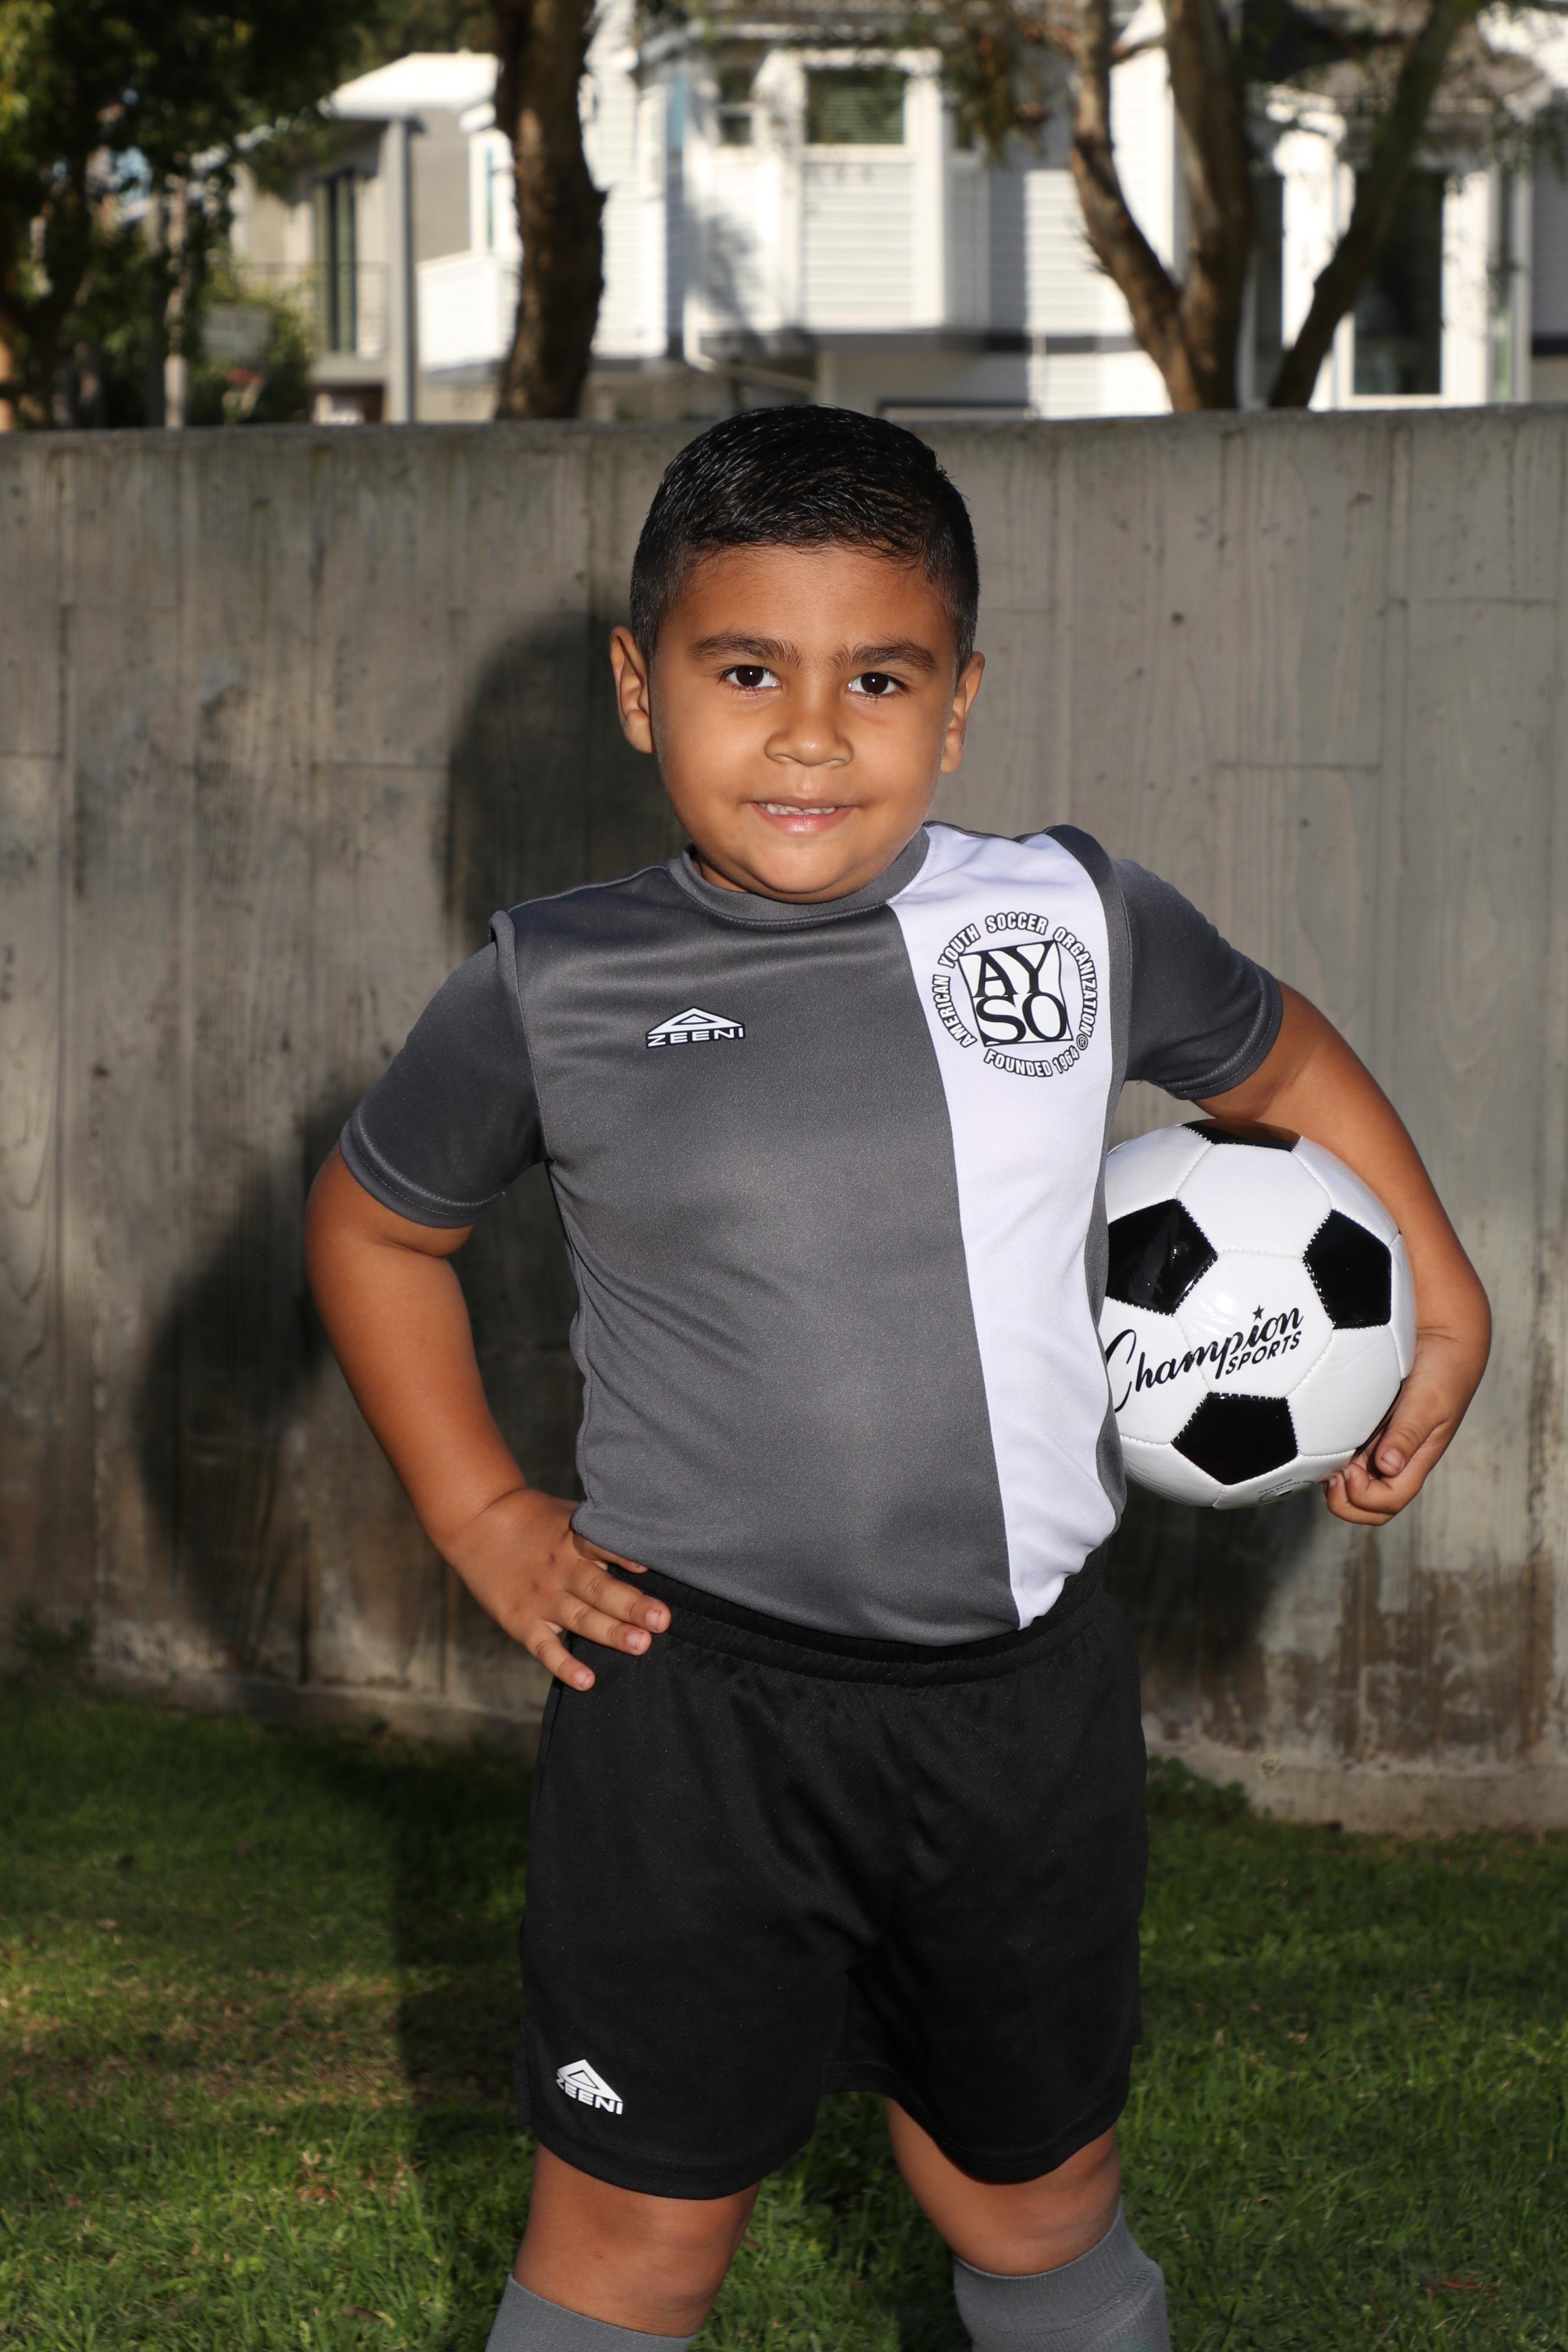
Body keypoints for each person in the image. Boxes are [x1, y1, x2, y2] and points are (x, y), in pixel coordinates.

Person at [305, 406, 1490, 2351]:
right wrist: (485, 1511)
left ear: (957, 707)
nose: (809, 733)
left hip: (1019, 1714)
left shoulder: (1072, 918)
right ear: (639, 688)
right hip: (691, 1718)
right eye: (744, 671)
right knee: (635, 2240)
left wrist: (1441, 1295)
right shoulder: (551, 983)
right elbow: (373, 1229)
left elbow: (1274, 1060)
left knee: (1037, 2201)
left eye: (878, 678)